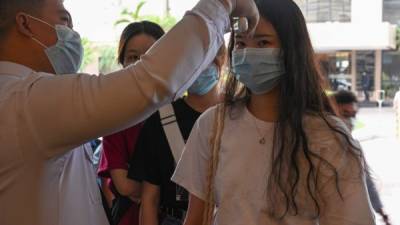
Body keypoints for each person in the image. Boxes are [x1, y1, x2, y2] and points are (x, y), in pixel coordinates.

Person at [0, 0, 259, 224]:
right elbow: (149, 82)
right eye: (63, 20)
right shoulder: (25, 101)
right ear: (26, 24)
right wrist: (222, 6)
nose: (72, 32)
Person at [172, 0, 375, 224]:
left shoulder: (328, 137)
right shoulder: (212, 125)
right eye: (240, 43)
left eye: (263, 42)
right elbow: (196, 217)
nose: (248, 53)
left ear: (292, 50)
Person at [128, 45, 226, 225]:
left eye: (205, 57)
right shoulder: (160, 121)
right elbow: (150, 199)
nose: (197, 67)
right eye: (190, 60)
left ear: (223, 58)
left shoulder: (239, 115)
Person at [97, 21, 166, 225]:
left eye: (150, 56)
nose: (140, 64)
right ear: (122, 62)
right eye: (133, 57)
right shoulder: (116, 119)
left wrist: (146, 190)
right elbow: (125, 186)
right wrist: (166, 193)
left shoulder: (179, 109)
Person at [333, 90, 392, 225]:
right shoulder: (315, 148)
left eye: (353, 115)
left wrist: (381, 212)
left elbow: (366, 181)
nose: (350, 121)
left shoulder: (353, 147)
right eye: (345, 114)